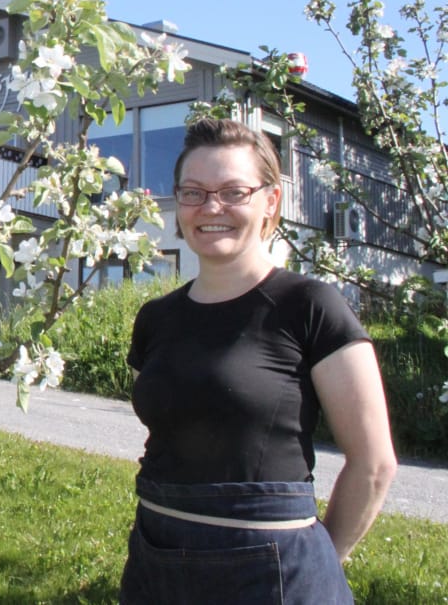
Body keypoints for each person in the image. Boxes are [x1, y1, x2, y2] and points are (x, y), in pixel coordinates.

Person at [119, 117, 397, 604]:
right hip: (154, 563)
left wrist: (313, 565)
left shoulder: (310, 306)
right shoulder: (155, 318)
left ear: (270, 201)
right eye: (194, 192)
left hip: (273, 573)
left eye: (234, 192)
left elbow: (374, 465)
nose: (211, 207)